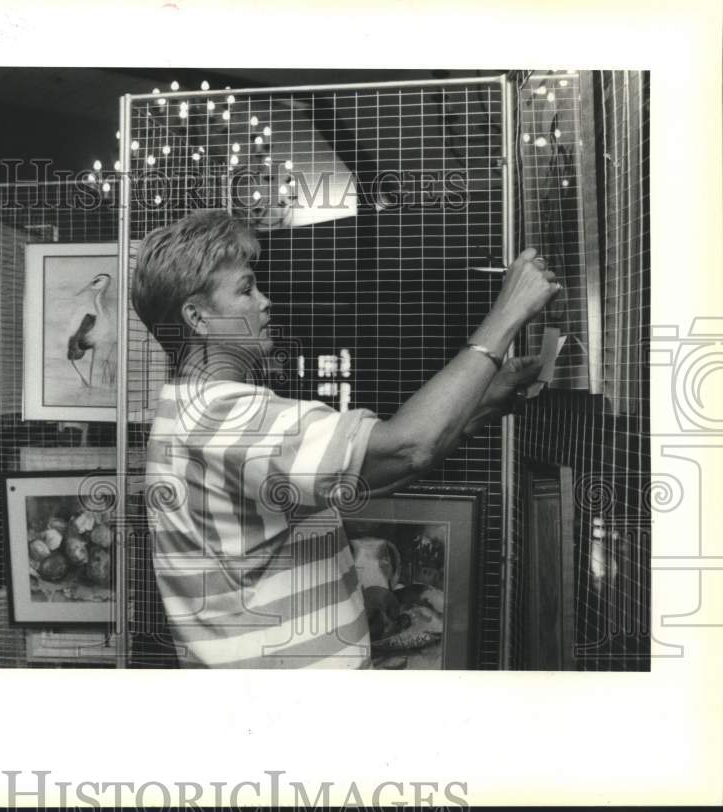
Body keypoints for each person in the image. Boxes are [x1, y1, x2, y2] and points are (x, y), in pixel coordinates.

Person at [132, 209, 559, 668]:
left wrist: (481, 404)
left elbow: (369, 478)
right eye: (245, 289)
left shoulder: (192, 411)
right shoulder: (227, 418)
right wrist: (509, 310)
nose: (264, 301)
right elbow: (408, 447)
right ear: (196, 316)